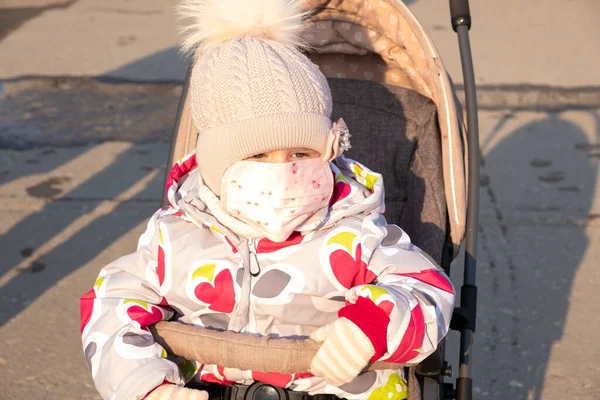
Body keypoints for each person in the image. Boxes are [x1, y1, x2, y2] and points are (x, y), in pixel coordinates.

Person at [79, 0, 455, 399]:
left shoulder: (356, 231)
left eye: (300, 154)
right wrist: (145, 384)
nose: (282, 172)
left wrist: (371, 326)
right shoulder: (175, 235)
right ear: (215, 166)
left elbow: (425, 288)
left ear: (328, 152)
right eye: (257, 156)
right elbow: (112, 302)